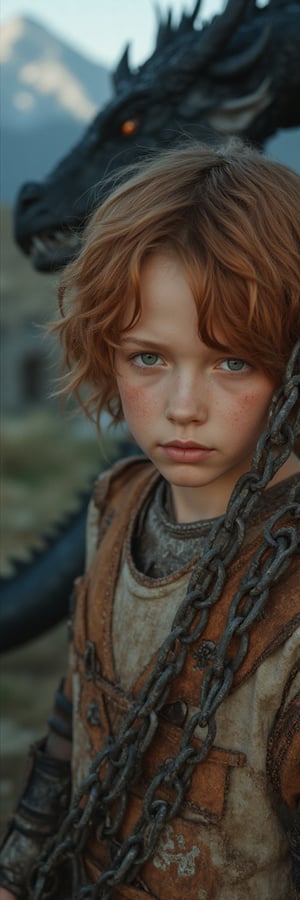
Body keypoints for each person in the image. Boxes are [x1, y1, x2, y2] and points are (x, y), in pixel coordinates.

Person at [0, 139, 299, 900]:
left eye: (234, 361)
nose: (182, 407)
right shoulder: (118, 505)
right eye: (148, 358)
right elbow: (79, 711)